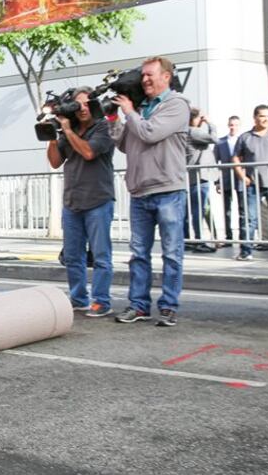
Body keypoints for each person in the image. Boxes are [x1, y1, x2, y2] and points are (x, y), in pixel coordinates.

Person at [109, 57, 190, 327]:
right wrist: (112, 118)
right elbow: (124, 143)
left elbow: (149, 133)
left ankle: (168, 306)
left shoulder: (176, 105)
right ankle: (139, 305)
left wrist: (131, 112)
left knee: (171, 252)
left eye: (149, 75)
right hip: (139, 191)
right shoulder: (140, 107)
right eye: (142, 75)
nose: (144, 80)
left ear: (166, 76)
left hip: (168, 190)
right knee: (139, 254)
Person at [43, 87, 115, 317]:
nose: (82, 109)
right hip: (72, 201)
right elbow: (55, 162)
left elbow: (88, 152)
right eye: (78, 105)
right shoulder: (68, 130)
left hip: (98, 200)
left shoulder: (103, 127)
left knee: (101, 255)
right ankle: (78, 298)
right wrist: (52, 135)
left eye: (86, 104)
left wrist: (66, 129)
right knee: (73, 256)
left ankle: (102, 301)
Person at [231, 105, 268, 261]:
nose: (266, 119)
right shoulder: (245, 137)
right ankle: (246, 251)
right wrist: (242, 176)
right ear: (255, 117)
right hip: (252, 185)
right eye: (263, 116)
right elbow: (236, 157)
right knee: (249, 219)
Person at [183, 108, 217, 253]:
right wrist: (210, 124)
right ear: (194, 119)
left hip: (192, 177)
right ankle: (199, 240)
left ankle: (189, 239)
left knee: (191, 210)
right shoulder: (194, 132)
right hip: (199, 177)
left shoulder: (186, 132)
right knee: (199, 210)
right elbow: (214, 138)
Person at [213, 116, 243, 246]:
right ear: (228, 125)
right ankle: (228, 237)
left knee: (243, 208)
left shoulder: (243, 140)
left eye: (236, 125)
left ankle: (244, 237)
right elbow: (215, 162)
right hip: (226, 178)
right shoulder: (220, 142)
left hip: (241, 178)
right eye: (231, 125)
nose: (233, 127)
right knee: (227, 210)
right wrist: (217, 181)